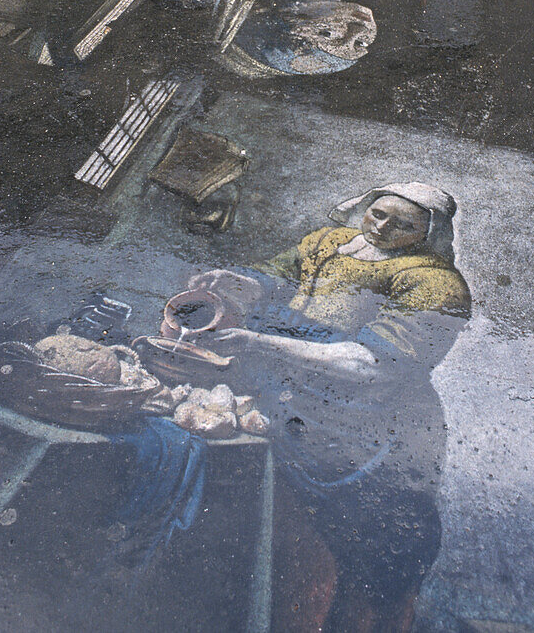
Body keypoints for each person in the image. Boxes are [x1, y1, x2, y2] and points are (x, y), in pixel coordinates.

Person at [189, 183, 471, 632]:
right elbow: (277, 276)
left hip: (371, 428)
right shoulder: (331, 242)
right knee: (277, 538)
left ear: (427, 232)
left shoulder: (434, 283)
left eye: (402, 225)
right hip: (295, 403)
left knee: (363, 554)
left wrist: (256, 341)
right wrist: (235, 281)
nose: (381, 227)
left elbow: (373, 363)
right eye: (377, 214)